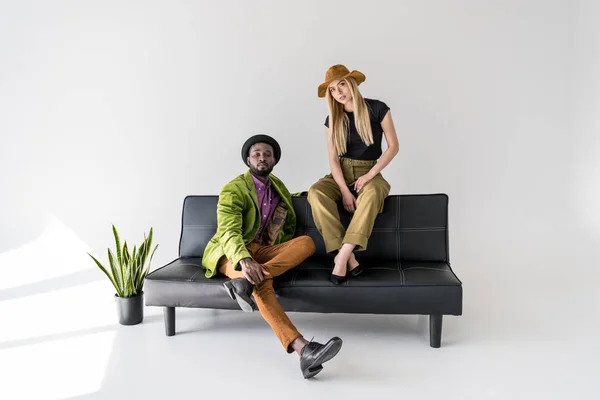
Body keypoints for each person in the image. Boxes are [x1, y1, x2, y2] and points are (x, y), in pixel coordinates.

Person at [202, 134, 343, 379]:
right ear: (248, 159)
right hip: (230, 253)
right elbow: (228, 230)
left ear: (274, 159)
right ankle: (304, 350)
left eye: (267, 154)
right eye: (256, 154)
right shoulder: (233, 189)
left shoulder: (278, 187)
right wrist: (244, 260)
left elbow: (290, 203)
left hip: (262, 250)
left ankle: (244, 284)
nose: (262, 157)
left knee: (306, 243)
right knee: (263, 284)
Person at [308, 64, 400, 285]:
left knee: (374, 192)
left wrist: (370, 175)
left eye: (341, 84)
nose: (338, 92)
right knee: (315, 193)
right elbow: (332, 159)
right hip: (340, 172)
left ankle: (342, 256)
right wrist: (343, 191)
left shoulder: (378, 109)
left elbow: (393, 147)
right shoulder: (332, 119)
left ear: (352, 84)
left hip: (369, 170)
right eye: (332, 89)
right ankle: (350, 258)